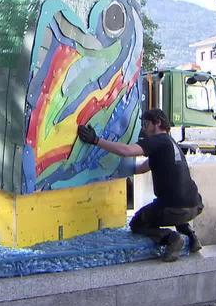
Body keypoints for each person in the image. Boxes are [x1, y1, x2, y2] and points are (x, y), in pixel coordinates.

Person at [77, 109, 203, 262]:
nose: (143, 128)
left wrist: (95, 140)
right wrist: (117, 170)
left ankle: (171, 238)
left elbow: (127, 151)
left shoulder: (157, 140)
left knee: (137, 223)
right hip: (194, 205)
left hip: (174, 209)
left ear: (157, 122)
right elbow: (141, 168)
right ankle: (192, 236)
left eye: (146, 124)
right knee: (174, 203)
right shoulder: (171, 143)